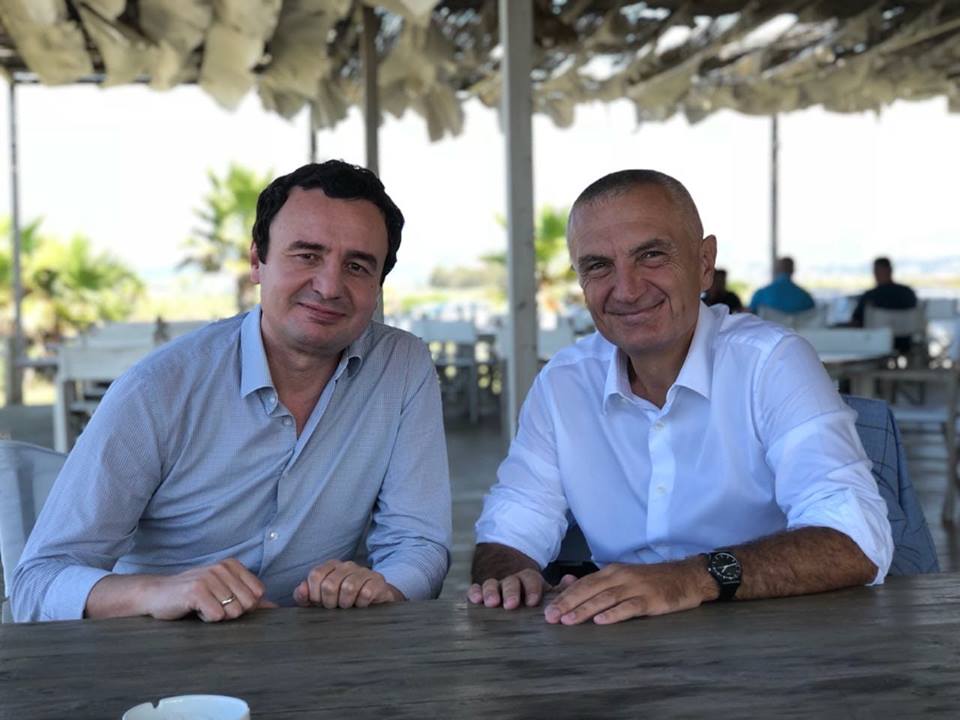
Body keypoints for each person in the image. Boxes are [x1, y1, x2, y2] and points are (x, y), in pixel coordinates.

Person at [13, 161, 452, 623]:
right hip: (164, 652)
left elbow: (418, 543)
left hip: (322, 647)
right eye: (307, 256)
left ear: (378, 285)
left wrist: (384, 586)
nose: (328, 287)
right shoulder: (158, 389)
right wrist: (160, 592)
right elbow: (37, 584)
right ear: (257, 262)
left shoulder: (401, 366)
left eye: (357, 266)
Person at [469, 170, 892, 626]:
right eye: (598, 266)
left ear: (705, 263)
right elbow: (511, 528)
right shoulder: (562, 384)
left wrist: (688, 579)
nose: (627, 289)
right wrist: (509, 579)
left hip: (769, 636)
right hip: (617, 643)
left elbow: (855, 539)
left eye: (651, 255)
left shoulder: (770, 363)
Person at [850, 256, 918, 328]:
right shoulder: (908, 293)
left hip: (875, 334)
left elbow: (856, 321)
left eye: (877, 271)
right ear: (891, 270)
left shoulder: (870, 296)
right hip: (909, 334)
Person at [748, 257, 815, 315]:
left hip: (768, 326)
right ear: (793, 270)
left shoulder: (760, 294)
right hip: (799, 326)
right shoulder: (806, 298)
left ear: (776, 270)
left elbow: (750, 315)